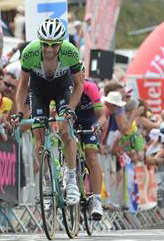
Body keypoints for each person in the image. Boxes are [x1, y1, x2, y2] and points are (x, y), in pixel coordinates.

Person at [15, 18, 84, 205]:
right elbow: (22, 86)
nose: (49, 49)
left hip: (63, 87)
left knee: (64, 129)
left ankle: (71, 181)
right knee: (38, 137)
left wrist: (70, 110)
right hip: (39, 90)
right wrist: (20, 112)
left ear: (61, 43)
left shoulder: (70, 51)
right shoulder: (30, 53)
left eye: (54, 45)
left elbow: (79, 86)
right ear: (40, 42)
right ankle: (47, 182)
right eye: (45, 44)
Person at [74, 79, 105, 219]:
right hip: (71, 123)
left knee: (91, 156)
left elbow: (102, 115)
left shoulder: (90, 88)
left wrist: (98, 125)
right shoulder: (64, 86)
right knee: (70, 153)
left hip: (89, 123)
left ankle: (97, 200)